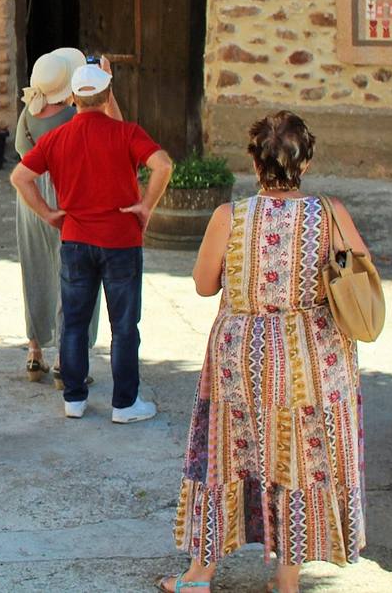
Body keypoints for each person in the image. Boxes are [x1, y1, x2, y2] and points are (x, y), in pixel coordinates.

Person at [159, 111, 370, 593]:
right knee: (297, 458)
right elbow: (361, 271)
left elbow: (203, 284)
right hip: (312, 355)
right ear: (306, 162)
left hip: (242, 354)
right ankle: (288, 581)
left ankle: (199, 576)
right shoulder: (331, 212)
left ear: (254, 163)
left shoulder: (229, 217)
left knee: (226, 456)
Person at [11, 63, 173, 423]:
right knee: (125, 326)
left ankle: (74, 399)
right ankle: (125, 404)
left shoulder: (57, 138)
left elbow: (20, 177)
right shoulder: (127, 133)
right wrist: (146, 205)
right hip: (120, 241)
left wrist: (49, 213)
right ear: (107, 95)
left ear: (72, 98)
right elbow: (163, 165)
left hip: (76, 240)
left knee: (73, 322)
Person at [14, 49, 115, 387]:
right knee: (77, 273)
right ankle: (66, 361)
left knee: (36, 267)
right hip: (71, 191)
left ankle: (34, 351)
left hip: (30, 193)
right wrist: (106, 83)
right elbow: (114, 131)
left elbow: (21, 153)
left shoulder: (29, 113)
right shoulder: (77, 116)